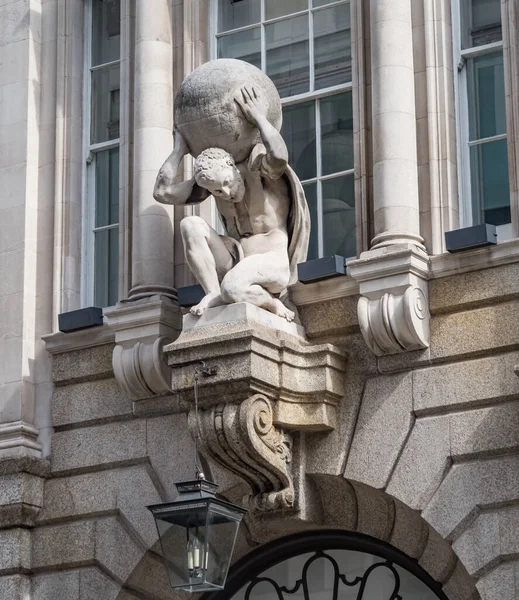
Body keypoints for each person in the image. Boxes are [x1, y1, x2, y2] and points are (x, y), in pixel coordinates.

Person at [154, 86, 309, 322]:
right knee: (190, 225)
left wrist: (258, 118)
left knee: (233, 288)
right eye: (216, 190)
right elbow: (162, 192)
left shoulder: (258, 169)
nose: (225, 192)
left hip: (272, 261)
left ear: (233, 167)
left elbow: (279, 157)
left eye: (227, 182)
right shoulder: (210, 187)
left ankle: (271, 303)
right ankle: (213, 293)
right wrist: (179, 150)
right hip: (237, 258)